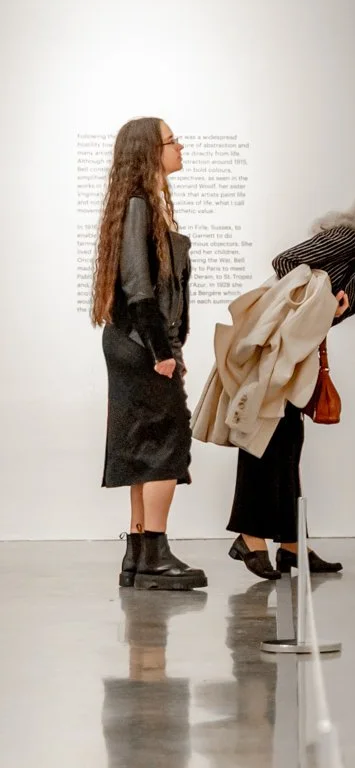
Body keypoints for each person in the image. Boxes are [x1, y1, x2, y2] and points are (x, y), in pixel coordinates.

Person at [226, 185, 355, 580]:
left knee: (287, 441)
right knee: (267, 439)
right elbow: (286, 261)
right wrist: (328, 299)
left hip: (293, 355)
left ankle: (291, 546)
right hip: (279, 352)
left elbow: (332, 313)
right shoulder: (345, 239)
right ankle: (249, 537)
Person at [91, 117, 207, 591]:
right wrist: (164, 352)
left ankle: (138, 555)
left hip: (130, 343)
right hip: (142, 346)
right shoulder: (140, 206)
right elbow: (139, 290)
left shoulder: (138, 206)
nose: (180, 146)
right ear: (148, 152)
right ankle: (156, 555)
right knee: (164, 447)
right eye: (171, 140)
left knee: (144, 447)